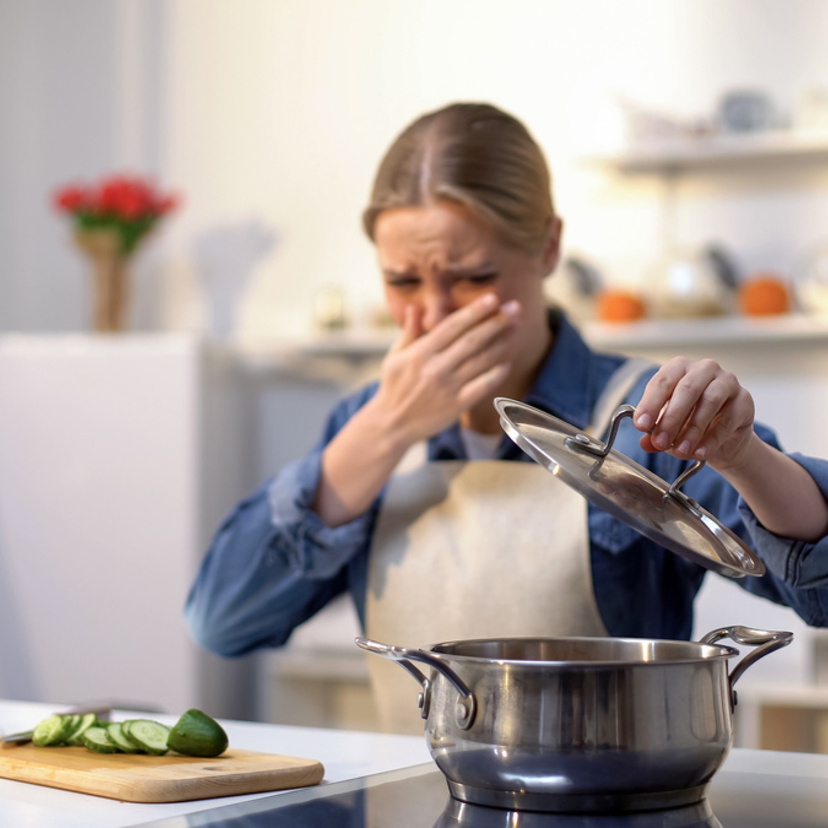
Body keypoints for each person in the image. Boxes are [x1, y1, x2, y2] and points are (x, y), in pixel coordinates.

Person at [185, 102, 828, 733]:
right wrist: (385, 427)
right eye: (402, 281)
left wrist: (742, 455)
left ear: (548, 246)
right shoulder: (367, 421)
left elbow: (817, 595)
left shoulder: (640, 419)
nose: (434, 314)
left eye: (472, 276)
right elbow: (223, 623)